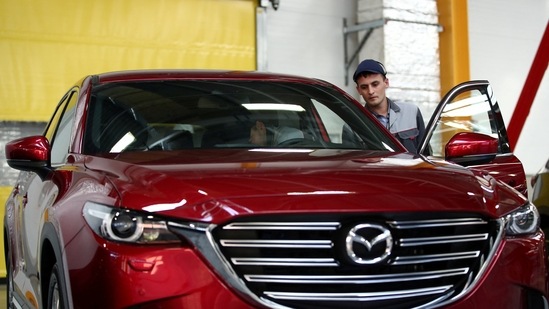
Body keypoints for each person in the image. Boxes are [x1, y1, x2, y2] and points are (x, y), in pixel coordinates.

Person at [353, 59, 426, 153]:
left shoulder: (412, 111)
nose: (370, 91)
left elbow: (425, 153)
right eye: (364, 87)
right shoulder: (353, 123)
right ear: (358, 90)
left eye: (375, 84)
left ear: (386, 83)